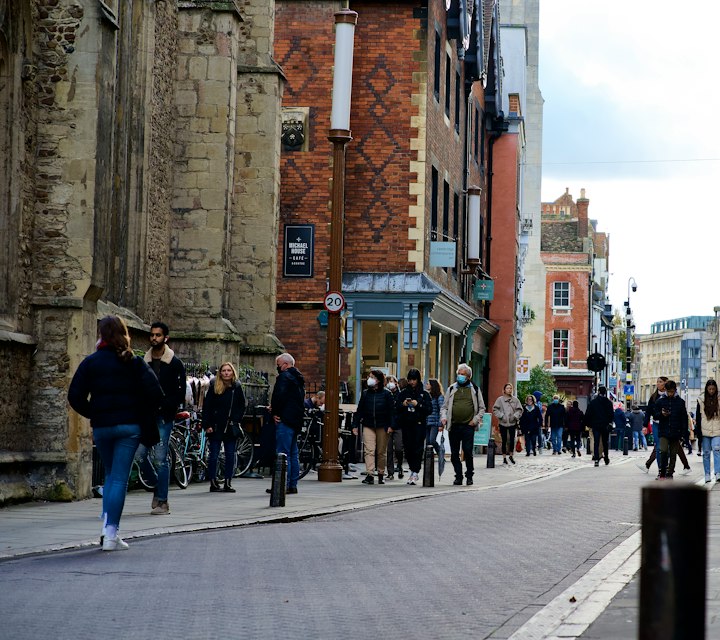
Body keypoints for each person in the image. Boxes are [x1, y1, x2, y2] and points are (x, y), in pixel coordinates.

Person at [68, 315, 163, 551]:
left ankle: (106, 530)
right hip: (129, 426)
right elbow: (156, 394)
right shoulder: (134, 362)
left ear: (101, 334)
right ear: (124, 333)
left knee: (110, 476)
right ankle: (111, 533)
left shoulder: (91, 362)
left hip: (103, 426)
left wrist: (94, 412)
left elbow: (75, 397)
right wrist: (140, 411)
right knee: (119, 478)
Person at [135, 322, 186, 515]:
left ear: (166, 338)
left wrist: (166, 404)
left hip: (164, 416)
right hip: (146, 416)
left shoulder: (175, 363)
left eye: (158, 335)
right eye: (152, 335)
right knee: (139, 455)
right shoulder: (143, 362)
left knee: (160, 459)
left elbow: (180, 393)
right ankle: (157, 485)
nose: (154, 338)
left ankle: (163, 501)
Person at [203, 362, 247, 493]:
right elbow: (207, 407)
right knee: (214, 455)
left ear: (233, 372)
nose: (226, 373)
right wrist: (207, 424)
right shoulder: (214, 386)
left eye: (229, 370)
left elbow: (241, 406)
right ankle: (213, 481)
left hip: (230, 426)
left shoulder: (236, 387)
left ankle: (228, 481)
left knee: (230, 455)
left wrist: (236, 419)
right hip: (216, 425)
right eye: (224, 371)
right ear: (220, 373)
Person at [440, 363, 486, 486]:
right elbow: (444, 407)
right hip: (454, 425)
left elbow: (482, 408)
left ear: (469, 377)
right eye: (459, 374)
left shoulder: (474, 389)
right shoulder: (451, 388)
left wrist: (475, 420)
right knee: (454, 453)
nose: (460, 376)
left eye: (463, 374)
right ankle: (458, 476)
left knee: (467, 451)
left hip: (468, 426)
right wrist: (444, 418)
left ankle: (469, 475)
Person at [268, 353, 305, 494]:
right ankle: (292, 484)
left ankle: (282, 484)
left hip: (285, 419)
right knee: (293, 453)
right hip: (295, 420)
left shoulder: (284, 377)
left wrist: (275, 412)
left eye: (278, 365)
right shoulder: (298, 378)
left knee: (282, 454)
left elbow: (279, 396)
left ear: (285, 364)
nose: (277, 367)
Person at [352, 370, 395, 484]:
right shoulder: (366, 393)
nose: (369, 379)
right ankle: (370, 474)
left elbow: (392, 411)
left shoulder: (386, 394)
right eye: (369, 377)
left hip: (383, 425)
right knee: (369, 450)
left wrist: (391, 425)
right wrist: (355, 425)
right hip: (368, 424)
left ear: (378, 380)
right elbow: (360, 410)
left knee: (381, 451)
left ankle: (381, 473)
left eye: (372, 377)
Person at [395, 368, 432, 485]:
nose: (412, 382)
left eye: (414, 379)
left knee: (418, 449)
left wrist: (418, 404)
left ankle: (415, 471)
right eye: (410, 380)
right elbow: (396, 407)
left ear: (418, 379)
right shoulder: (403, 393)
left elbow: (429, 409)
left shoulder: (424, 394)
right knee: (408, 449)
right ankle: (412, 469)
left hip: (419, 425)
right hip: (406, 425)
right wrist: (403, 404)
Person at [655, 379, 688, 480]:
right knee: (663, 450)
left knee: (673, 453)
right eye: (668, 391)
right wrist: (662, 414)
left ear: (675, 390)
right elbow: (655, 415)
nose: (670, 394)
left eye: (672, 392)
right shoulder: (660, 401)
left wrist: (683, 433)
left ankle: (670, 472)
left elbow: (684, 418)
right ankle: (662, 471)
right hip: (664, 430)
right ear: (666, 390)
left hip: (675, 431)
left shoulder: (680, 402)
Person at [695, 379, 720, 483]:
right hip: (704, 430)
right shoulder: (701, 400)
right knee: (706, 453)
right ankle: (707, 474)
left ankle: (718, 472)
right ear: (706, 389)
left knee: (716, 450)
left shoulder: (719, 399)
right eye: (709, 389)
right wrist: (698, 430)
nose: (711, 391)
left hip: (717, 430)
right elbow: (698, 415)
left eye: (713, 389)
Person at [641, 377, 668, 472]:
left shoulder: (670, 396)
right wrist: (645, 425)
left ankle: (666, 466)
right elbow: (648, 412)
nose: (658, 384)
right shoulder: (653, 397)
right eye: (657, 382)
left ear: (665, 383)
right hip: (656, 424)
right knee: (658, 446)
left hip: (667, 424)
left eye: (660, 382)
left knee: (667, 447)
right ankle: (660, 468)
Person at [492, 383, 523, 465]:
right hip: (503, 423)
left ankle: (511, 455)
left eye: (510, 388)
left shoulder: (515, 400)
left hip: (512, 423)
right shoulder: (500, 400)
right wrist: (501, 416)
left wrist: (515, 416)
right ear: (504, 390)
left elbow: (520, 410)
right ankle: (504, 457)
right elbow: (495, 409)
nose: (509, 390)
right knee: (504, 440)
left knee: (512, 440)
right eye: (507, 388)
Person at [584, 386, 613, 467]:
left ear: (598, 391)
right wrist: (610, 422)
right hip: (605, 425)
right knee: (605, 442)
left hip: (596, 425)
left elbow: (588, 414)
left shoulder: (593, 402)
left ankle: (596, 459)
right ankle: (606, 458)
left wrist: (589, 424)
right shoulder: (608, 402)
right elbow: (611, 414)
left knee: (596, 442)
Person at [385, 375, 404, 480]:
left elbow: (399, 412)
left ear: (396, 383)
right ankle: (390, 472)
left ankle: (400, 465)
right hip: (387, 426)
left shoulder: (400, 395)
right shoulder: (385, 395)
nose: (390, 384)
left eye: (391, 381)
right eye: (388, 382)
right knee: (388, 450)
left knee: (398, 448)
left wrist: (394, 425)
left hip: (398, 426)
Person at [425, 378, 445, 459]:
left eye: (428, 383)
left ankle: (440, 454)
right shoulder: (426, 395)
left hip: (435, 422)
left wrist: (441, 424)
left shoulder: (439, 396)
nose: (426, 385)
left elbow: (442, 410)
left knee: (432, 440)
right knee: (427, 442)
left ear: (432, 385)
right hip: (426, 422)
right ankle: (429, 457)